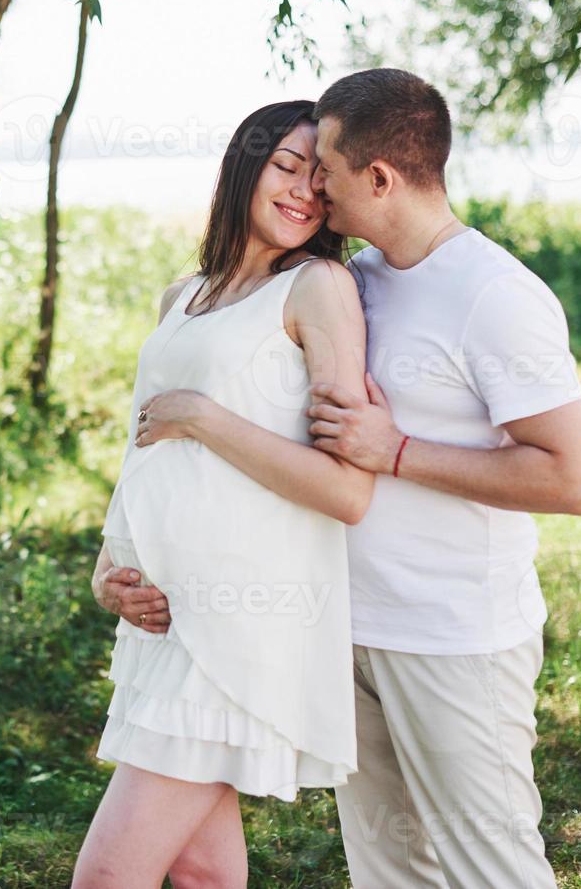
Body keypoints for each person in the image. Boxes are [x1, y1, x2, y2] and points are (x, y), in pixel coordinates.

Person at [305, 68, 581, 887]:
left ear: (377, 177)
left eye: (324, 168)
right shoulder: (348, 282)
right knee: (387, 870)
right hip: (350, 628)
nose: (313, 186)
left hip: (455, 636)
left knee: (492, 869)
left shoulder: (495, 294)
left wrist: (395, 452)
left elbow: (570, 480)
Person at [75, 99, 374, 888]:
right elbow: (145, 449)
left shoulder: (317, 287)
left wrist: (205, 418)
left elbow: (346, 492)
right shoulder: (183, 295)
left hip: (237, 627)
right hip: (162, 622)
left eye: (320, 177)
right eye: (285, 165)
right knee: (206, 873)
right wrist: (108, 565)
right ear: (245, 165)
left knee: (106, 878)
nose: (303, 191)